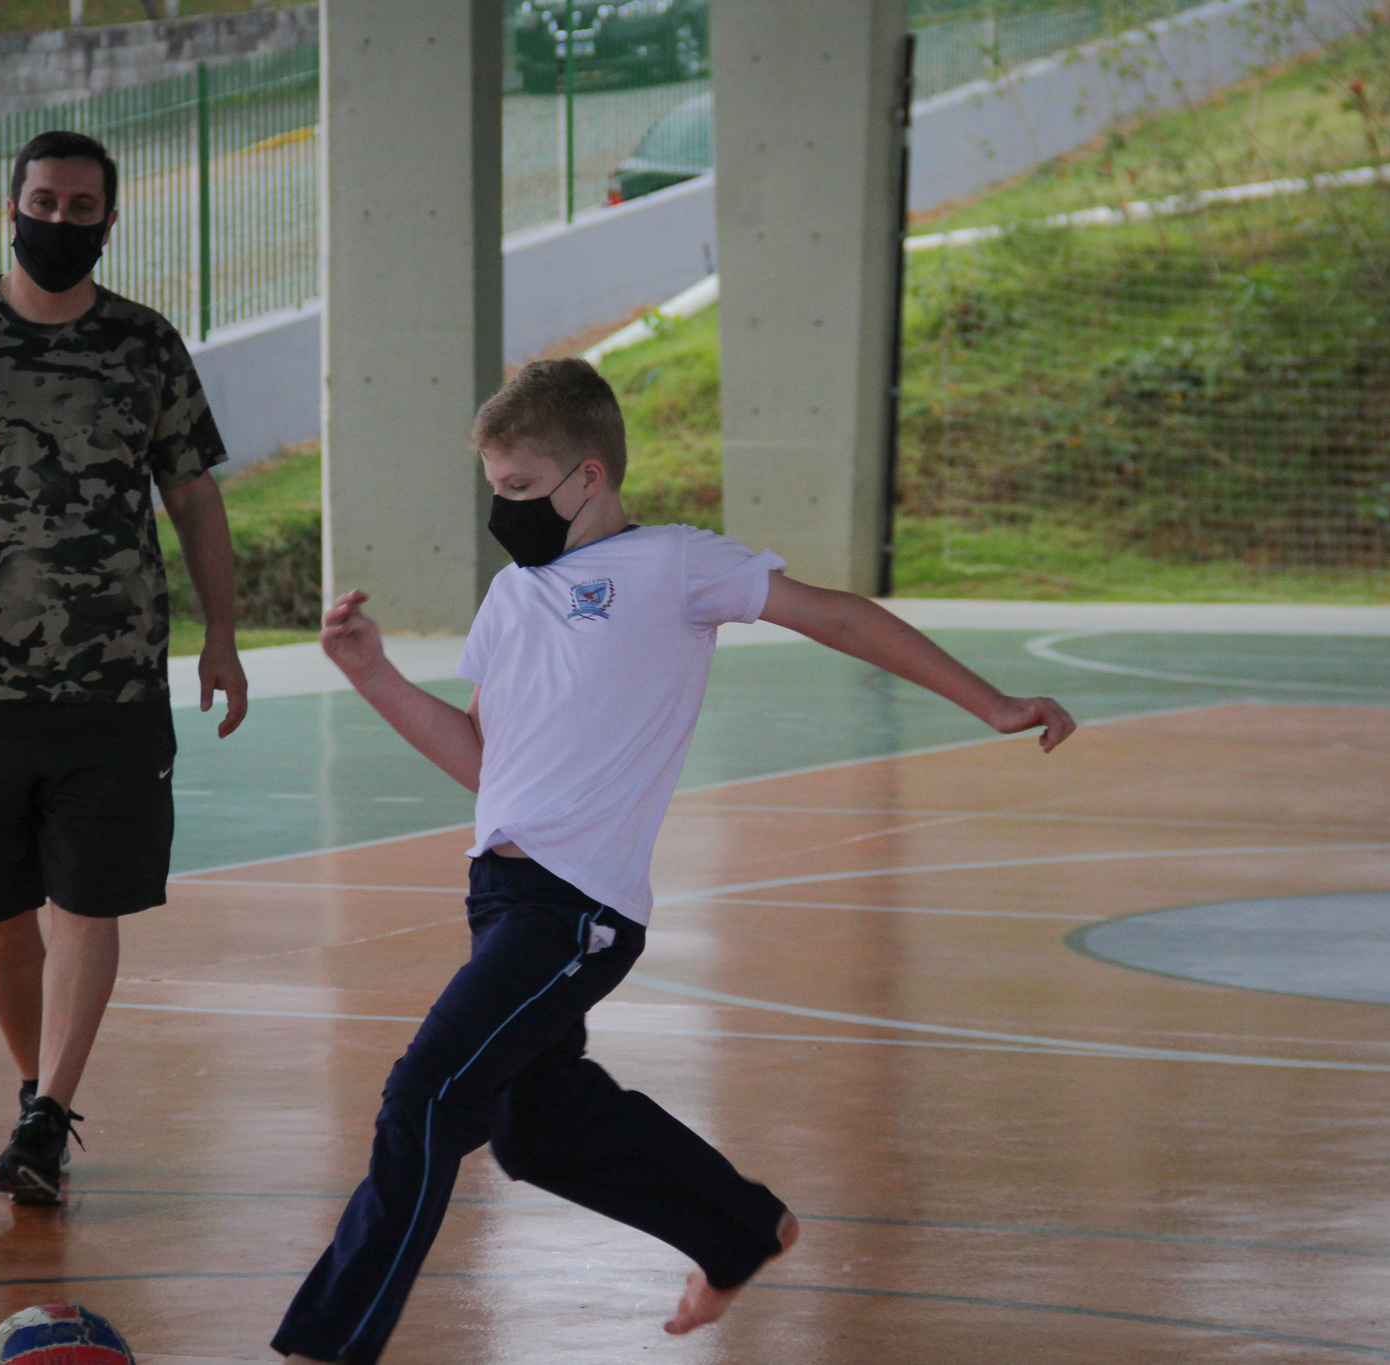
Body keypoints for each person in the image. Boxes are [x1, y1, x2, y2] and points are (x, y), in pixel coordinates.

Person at [273, 359, 1076, 1363]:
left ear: (589, 477)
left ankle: (327, 1345)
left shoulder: (673, 564)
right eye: (494, 489)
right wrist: (373, 675)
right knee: (536, 1127)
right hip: (501, 893)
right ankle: (736, 1228)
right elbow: (485, 764)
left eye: (520, 487)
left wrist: (991, 702)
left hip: (574, 911)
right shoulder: (512, 596)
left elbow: (837, 615)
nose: (502, 510)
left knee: (426, 1095)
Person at [0, 129, 249, 1204]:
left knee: (85, 902)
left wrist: (220, 633)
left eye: (81, 207)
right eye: (43, 202)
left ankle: (46, 1113)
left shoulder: (145, 344)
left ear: (109, 221)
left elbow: (194, 495)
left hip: (114, 683)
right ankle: (36, 1092)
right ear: (12, 208)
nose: (59, 221)